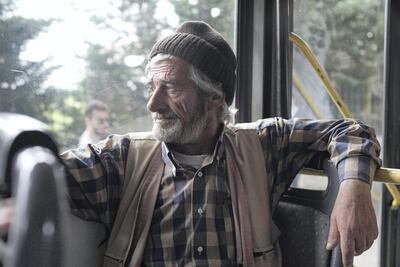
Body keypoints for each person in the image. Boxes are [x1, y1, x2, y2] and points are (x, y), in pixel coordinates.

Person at [56, 21, 381, 267]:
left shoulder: (262, 147)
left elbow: (352, 130)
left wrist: (354, 188)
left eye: (170, 87)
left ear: (214, 97)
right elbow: (42, 172)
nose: (153, 104)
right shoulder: (121, 159)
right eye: (151, 87)